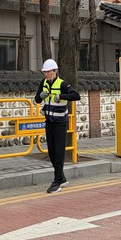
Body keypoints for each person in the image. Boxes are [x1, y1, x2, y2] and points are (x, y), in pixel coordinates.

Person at [34, 59, 80, 193]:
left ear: (55, 71)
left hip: (60, 123)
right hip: (49, 122)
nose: (46, 74)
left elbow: (76, 95)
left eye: (48, 72)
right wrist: (40, 96)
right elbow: (37, 99)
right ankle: (62, 178)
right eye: (44, 72)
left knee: (59, 152)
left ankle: (57, 181)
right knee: (52, 152)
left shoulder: (62, 84)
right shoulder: (43, 83)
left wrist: (61, 96)